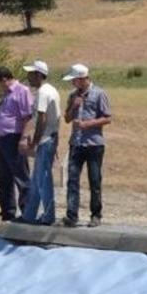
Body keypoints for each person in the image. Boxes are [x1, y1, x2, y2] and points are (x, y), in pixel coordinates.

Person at [61, 64, 111, 228]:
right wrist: (73, 106)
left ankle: (96, 215)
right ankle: (71, 215)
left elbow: (107, 118)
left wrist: (87, 124)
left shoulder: (99, 94)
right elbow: (67, 119)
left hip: (94, 144)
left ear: (82, 79)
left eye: (74, 80)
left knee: (94, 181)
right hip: (76, 143)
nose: (72, 84)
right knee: (72, 180)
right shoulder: (72, 95)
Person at [20, 61, 61, 226]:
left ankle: (49, 216)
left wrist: (34, 142)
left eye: (31, 74)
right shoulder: (51, 89)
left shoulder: (43, 92)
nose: (28, 77)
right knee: (37, 179)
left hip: (45, 140)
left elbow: (42, 119)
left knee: (44, 179)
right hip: (49, 138)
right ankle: (29, 215)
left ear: (38, 74)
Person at [0, 66, 33, 221]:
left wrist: (23, 138)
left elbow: (27, 117)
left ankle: (27, 211)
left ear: (4, 79)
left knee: (21, 176)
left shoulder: (21, 91)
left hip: (14, 138)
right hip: (2, 139)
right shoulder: (6, 94)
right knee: (4, 177)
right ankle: (7, 210)